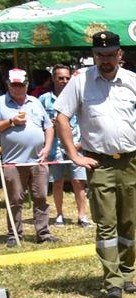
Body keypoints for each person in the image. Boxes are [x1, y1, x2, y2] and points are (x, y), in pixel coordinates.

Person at [54, 31, 136, 298]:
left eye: (111, 55)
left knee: (128, 221)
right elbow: (61, 117)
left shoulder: (134, 81)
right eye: (100, 55)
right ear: (94, 55)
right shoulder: (80, 81)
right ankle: (112, 282)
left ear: (120, 54)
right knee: (106, 223)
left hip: (130, 160)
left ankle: (128, 273)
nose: (106, 60)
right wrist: (74, 154)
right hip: (100, 163)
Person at [1, 67, 56, 247]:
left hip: (38, 159)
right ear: (8, 84)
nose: (18, 88)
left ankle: (43, 233)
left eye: (21, 85)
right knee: (15, 199)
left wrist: (47, 147)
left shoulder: (34, 101)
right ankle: (14, 234)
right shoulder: (1, 103)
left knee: (41, 197)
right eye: (14, 85)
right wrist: (11, 122)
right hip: (12, 161)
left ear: (26, 85)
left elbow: (48, 126)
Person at [38, 64, 89, 229]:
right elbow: (39, 124)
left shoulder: (80, 96)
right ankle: (59, 214)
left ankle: (82, 216)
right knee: (57, 182)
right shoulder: (44, 100)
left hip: (77, 145)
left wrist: (82, 143)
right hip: (54, 148)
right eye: (60, 78)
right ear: (53, 79)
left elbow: (86, 122)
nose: (64, 81)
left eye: (67, 78)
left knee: (78, 182)